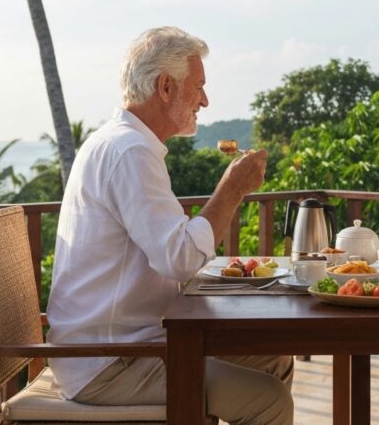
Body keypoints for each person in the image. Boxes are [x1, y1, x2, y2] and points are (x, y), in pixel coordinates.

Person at [46, 27, 293, 424]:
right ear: (165, 86)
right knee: (269, 399)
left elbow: (171, 249)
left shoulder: (124, 143)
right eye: (199, 87)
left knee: (275, 359)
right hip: (109, 363)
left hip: (130, 345)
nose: (205, 101)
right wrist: (231, 190)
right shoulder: (129, 152)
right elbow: (179, 259)